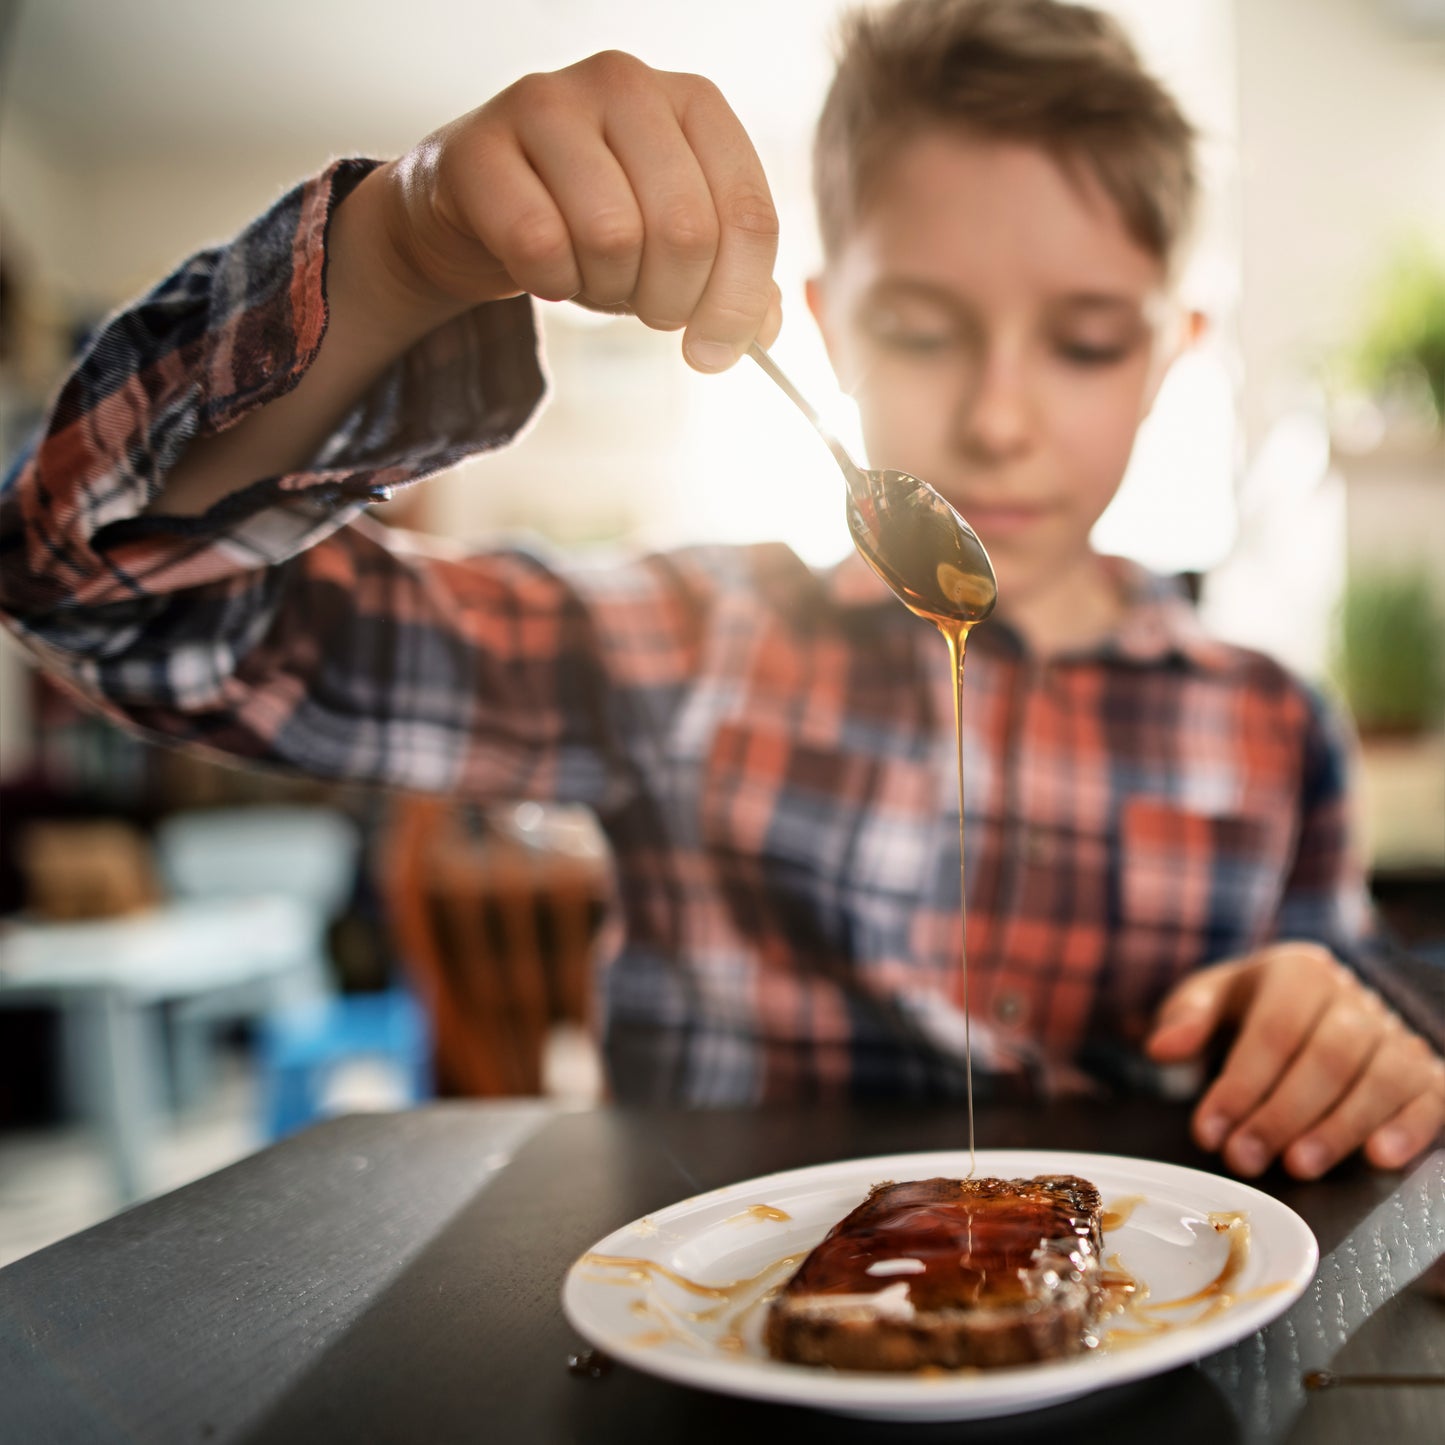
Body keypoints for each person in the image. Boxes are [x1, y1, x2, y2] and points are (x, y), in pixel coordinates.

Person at [2, 0, 1440, 1179]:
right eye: (925, 328)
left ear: (1169, 352)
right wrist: (400, 253)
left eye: (1080, 344)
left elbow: (1351, 1057)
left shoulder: (1270, 728)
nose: (1001, 418)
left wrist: (1344, 1035)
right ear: (825, 327)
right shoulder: (678, 644)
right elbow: (105, 593)